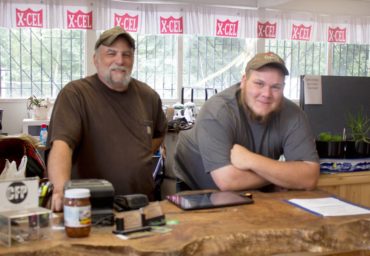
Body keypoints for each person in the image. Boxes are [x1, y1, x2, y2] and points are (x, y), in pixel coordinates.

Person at [47, 27, 167, 212]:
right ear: (95, 59)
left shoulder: (148, 96)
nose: (120, 60)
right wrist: (60, 189)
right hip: (91, 209)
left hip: (141, 206)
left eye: (126, 54)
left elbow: (159, 134)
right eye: (111, 53)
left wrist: (134, 154)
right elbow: (62, 145)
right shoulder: (76, 94)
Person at [174, 52, 320, 192]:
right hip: (196, 189)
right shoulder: (218, 111)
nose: (266, 94)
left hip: (252, 192)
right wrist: (282, 175)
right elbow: (228, 181)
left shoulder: (294, 115)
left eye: (276, 87)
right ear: (244, 81)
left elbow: (309, 178)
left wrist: (251, 160)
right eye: (259, 83)